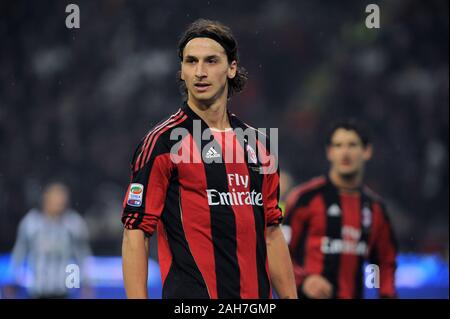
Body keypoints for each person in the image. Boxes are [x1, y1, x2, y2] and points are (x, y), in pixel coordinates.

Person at [121, 19, 297, 299]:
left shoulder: (259, 144)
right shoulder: (163, 143)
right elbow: (135, 233)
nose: (200, 72)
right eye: (191, 62)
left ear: (232, 68)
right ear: (181, 71)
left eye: (211, 61)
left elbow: (271, 231)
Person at [283, 119, 398, 299]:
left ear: (366, 151)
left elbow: (386, 262)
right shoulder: (305, 199)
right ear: (329, 152)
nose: (345, 152)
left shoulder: (375, 209)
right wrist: (303, 280)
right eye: (338, 145)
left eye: (352, 145)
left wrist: (387, 295)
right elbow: (279, 250)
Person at [10, 182, 92, 299]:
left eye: (62, 198)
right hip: (37, 291)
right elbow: (19, 253)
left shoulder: (74, 223)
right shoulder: (30, 223)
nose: (60, 201)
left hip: (63, 291)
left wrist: (87, 283)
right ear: (46, 198)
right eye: (56, 197)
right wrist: (13, 280)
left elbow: (82, 254)